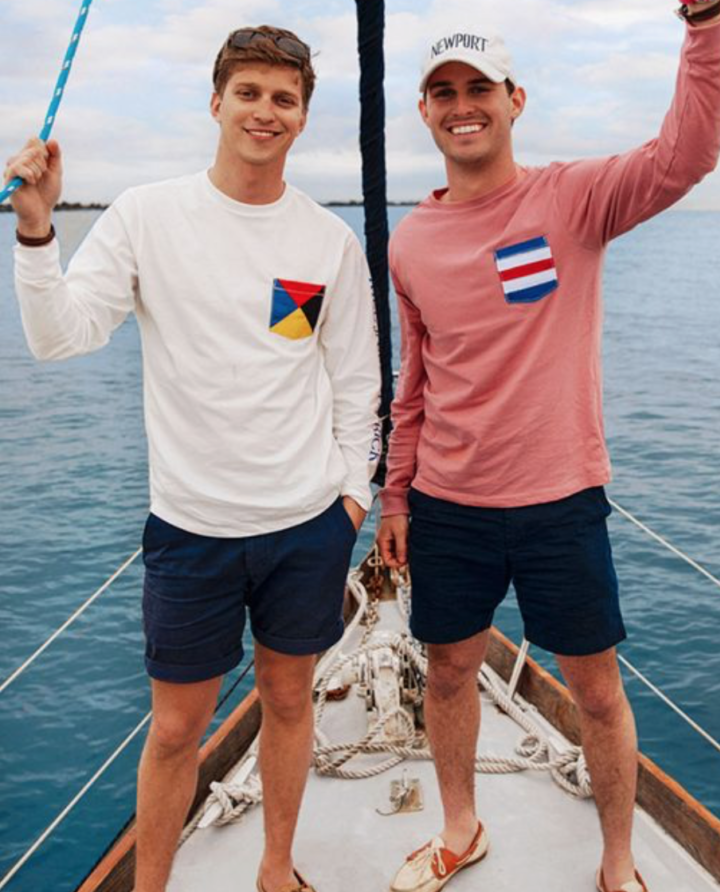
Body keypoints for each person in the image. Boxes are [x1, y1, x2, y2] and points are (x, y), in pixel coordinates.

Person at [6, 25, 380, 892]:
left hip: (306, 529)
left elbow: (358, 385)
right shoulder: (147, 216)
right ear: (216, 103)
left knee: (288, 700)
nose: (264, 111)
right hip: (190, 530)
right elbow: (60, 338)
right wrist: (35, 233)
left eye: (284, 98)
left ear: (302, 117)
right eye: (248, 93)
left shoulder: (327, 242)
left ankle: (276, 869)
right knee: (176, 730)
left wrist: (350, 503)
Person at [376, 3, 720, 892]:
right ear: (424, 111)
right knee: (449, 675)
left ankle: (617, 864)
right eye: (444, 92)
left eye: (480, 88)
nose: (463, 105)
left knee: (598, 693)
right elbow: (414, 382)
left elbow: (686, 155)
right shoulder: (410, 241)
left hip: (560, 502)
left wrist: (705, 24)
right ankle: (461, 829)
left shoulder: (572, 199)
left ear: (515, 99)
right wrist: (396, 496)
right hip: (449, 504)